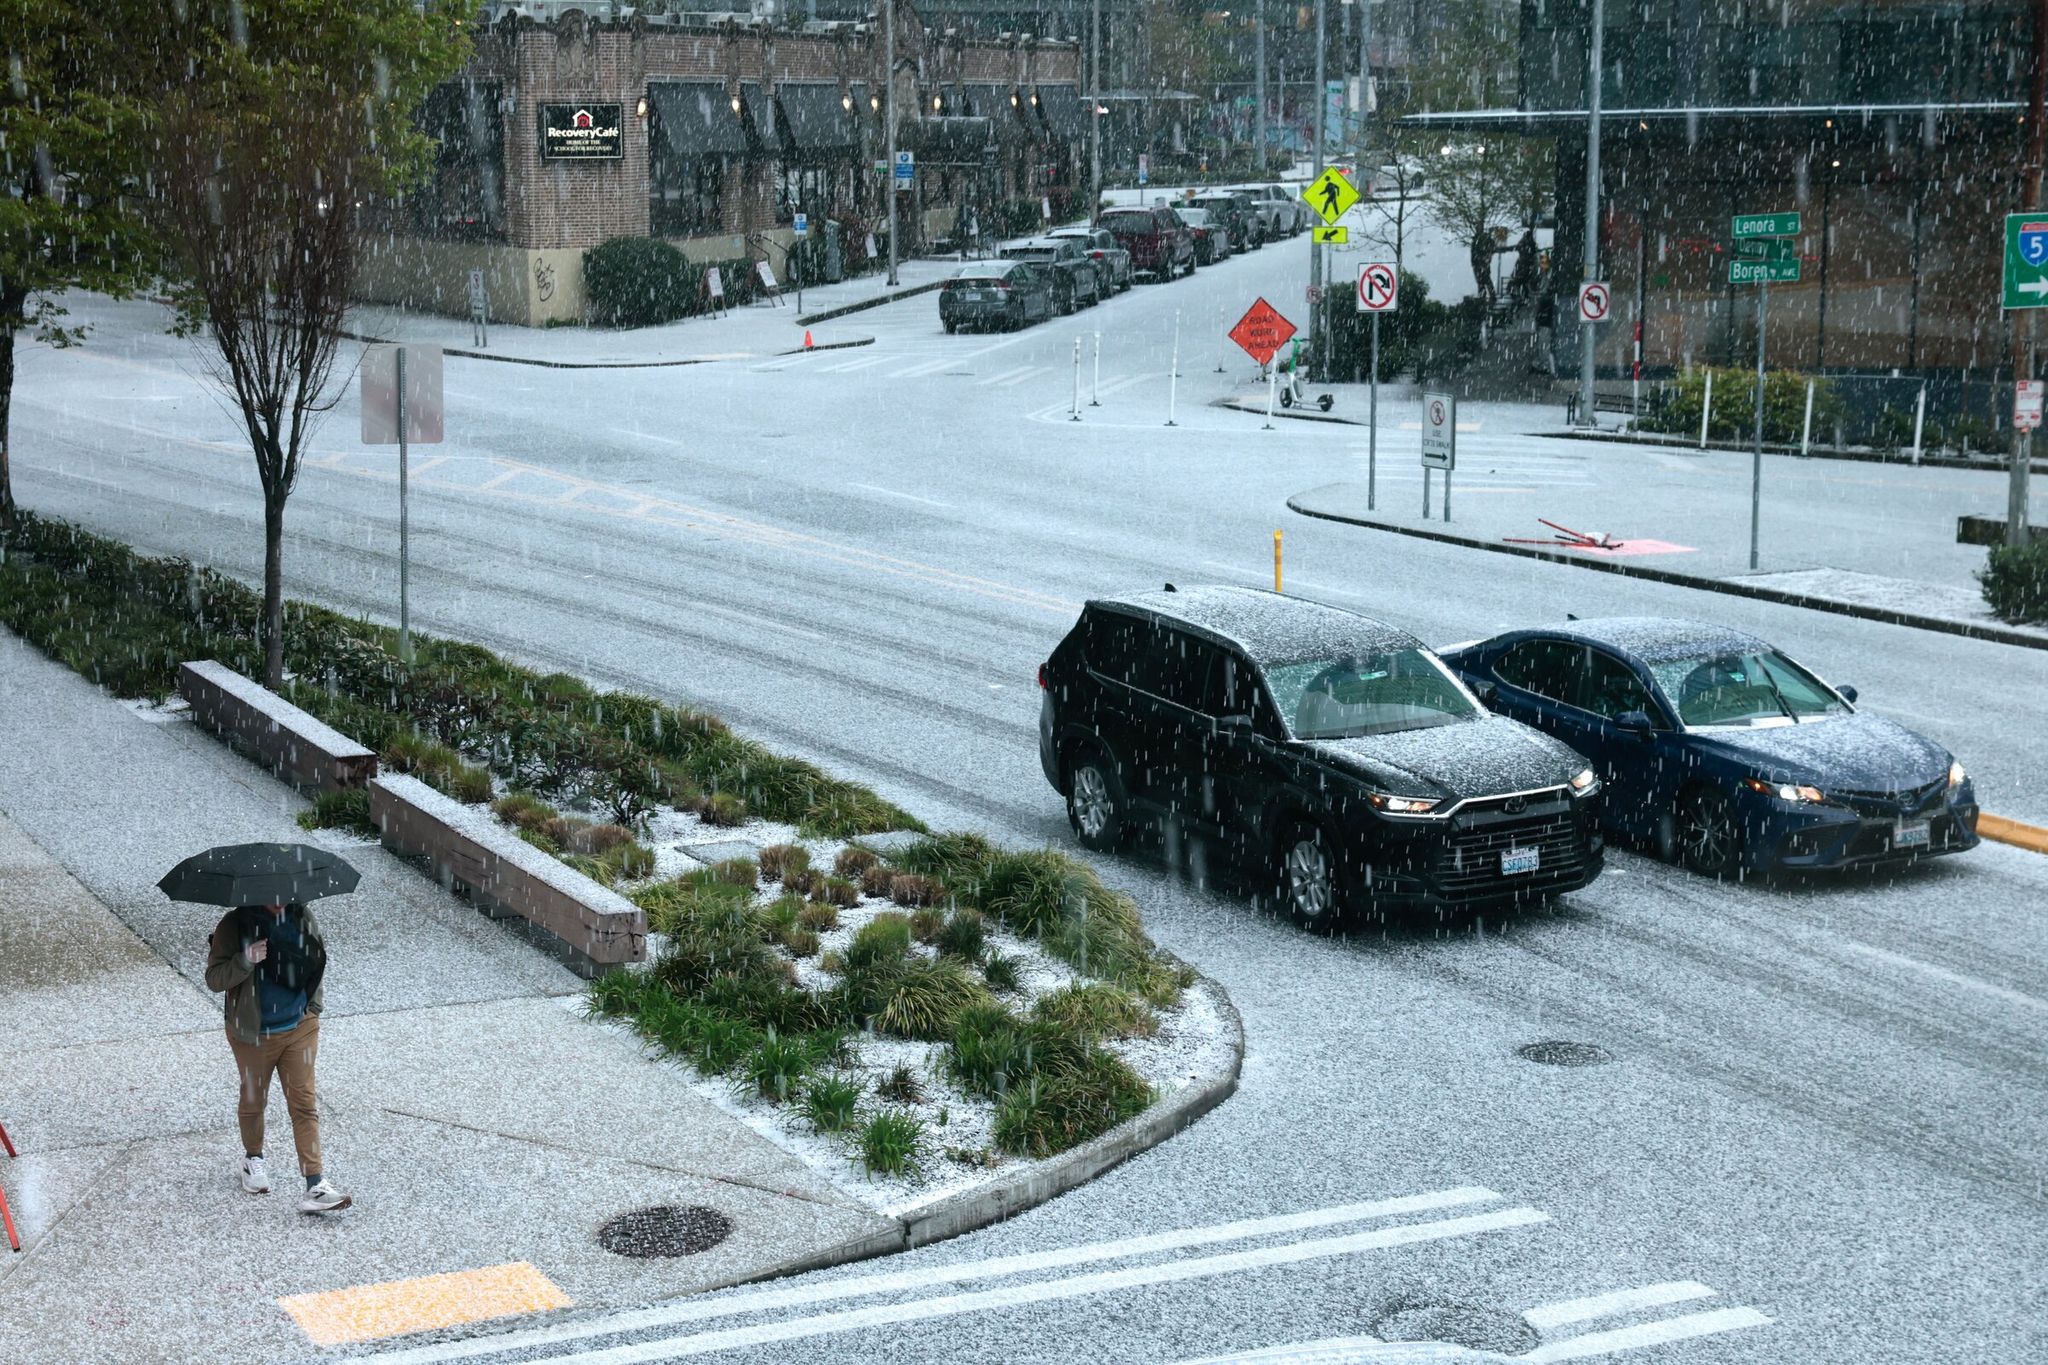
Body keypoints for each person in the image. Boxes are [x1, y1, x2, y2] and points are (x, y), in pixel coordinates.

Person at [204, 901, 349, 1214]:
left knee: (304, 1102)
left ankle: (315, 1184)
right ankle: (253, 1158)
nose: (281, 898)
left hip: (300, 1027)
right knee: (255, 1100)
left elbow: (317, 960)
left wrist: (314, 1009)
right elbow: (214, 979)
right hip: (253, 1034)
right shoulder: (234, 924)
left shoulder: (301, 915)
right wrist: (246, 960)